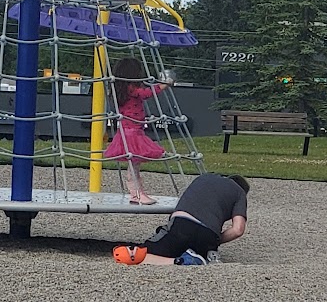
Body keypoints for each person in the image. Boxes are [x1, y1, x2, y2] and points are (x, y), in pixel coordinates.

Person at [113, 173, 250, 266]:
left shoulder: (204, 177)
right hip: (208, 237)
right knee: (198, 251)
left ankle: (177, 260)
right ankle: (188, 259)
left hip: (182, 225)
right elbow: (238, 230)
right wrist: (216, 239)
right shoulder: (239, 193)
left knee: (137, 254)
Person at [104, 57, 172, 205]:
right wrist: (163, 85)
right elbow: (145, 94)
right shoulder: (131, 88)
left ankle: (138, 193)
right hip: (132, 132)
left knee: (135, 165)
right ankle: (136, 194)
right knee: (133, 166)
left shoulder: (120, 88)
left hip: (131, 130)